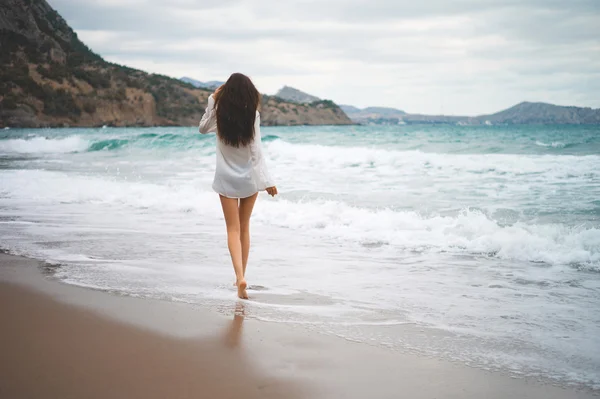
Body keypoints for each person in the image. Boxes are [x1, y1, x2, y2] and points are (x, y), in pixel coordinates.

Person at [199, 73, 277, 299]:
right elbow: (256, 152)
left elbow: (203, 128)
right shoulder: (253, 115)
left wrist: (212, 101)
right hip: (249, 179)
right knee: (244, 227)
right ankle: (241, 278)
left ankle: (239, 276)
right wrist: (267, 181)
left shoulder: (220, 116)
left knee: (232, 229)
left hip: (226, 179)